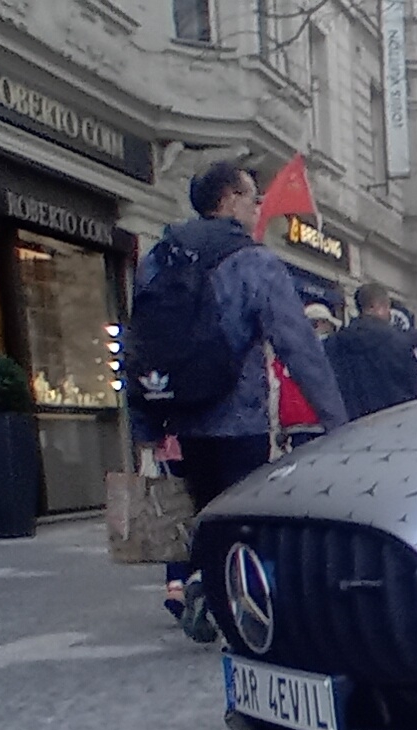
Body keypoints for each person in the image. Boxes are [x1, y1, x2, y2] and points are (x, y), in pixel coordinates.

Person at [126, 162, 348, 634]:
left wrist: (144, 425)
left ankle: (206, 588)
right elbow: (297, 344)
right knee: (245, 517)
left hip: (180, 417)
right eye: (252, 198)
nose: (257, 207)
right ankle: (243, 612)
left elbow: (141, 342)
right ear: (228, 199)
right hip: (237, 416)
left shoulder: (159, 256)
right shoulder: (252, 259)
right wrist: (337, 422)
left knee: (204, 513)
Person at [322, 282, 417, 417]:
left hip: (351, 424)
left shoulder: (335, 342)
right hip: (393, 420)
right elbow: (412, 386)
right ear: (380, 306)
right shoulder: (399, 341)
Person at [270, 302, 339, 450]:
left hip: (293, 424)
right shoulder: (327, 353)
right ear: (319, 324)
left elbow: (274, 391)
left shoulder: (282, 356)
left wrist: (277, 427)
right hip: (320, 420)